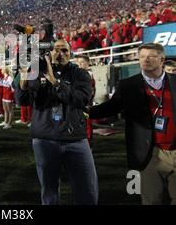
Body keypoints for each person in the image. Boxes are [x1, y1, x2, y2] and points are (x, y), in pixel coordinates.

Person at [90, 43, 176, 205]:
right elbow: (110, 108)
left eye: (151, 56)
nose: (145, 60)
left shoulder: (174, 81)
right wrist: (85, 111)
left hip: (175, 149)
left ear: (162, 59)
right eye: (142, 57)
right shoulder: (129, 85)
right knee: (151, 200)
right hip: (149, 153)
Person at [16, 39, 98, 205]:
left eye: (65, 51)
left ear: (70, 54)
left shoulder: (79, 73)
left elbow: (82, 99)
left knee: (87, 191)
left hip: (75, 139)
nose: (60, 54)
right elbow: (22, 101)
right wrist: (23, 76)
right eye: (57, 50)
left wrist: (56, 82)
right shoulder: (37, 71)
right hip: (45, 139)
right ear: (49, 53)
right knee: (49, 192)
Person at [74, 55, 96, 146]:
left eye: (82, 62)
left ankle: (88, 144)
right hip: (77, 104)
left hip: (85, 104)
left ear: (88, 64)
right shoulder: (76, 75)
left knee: (87, 124)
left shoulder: (88, 75)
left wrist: (87, 103)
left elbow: (91, 92)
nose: (80, 64)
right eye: (78, 62)